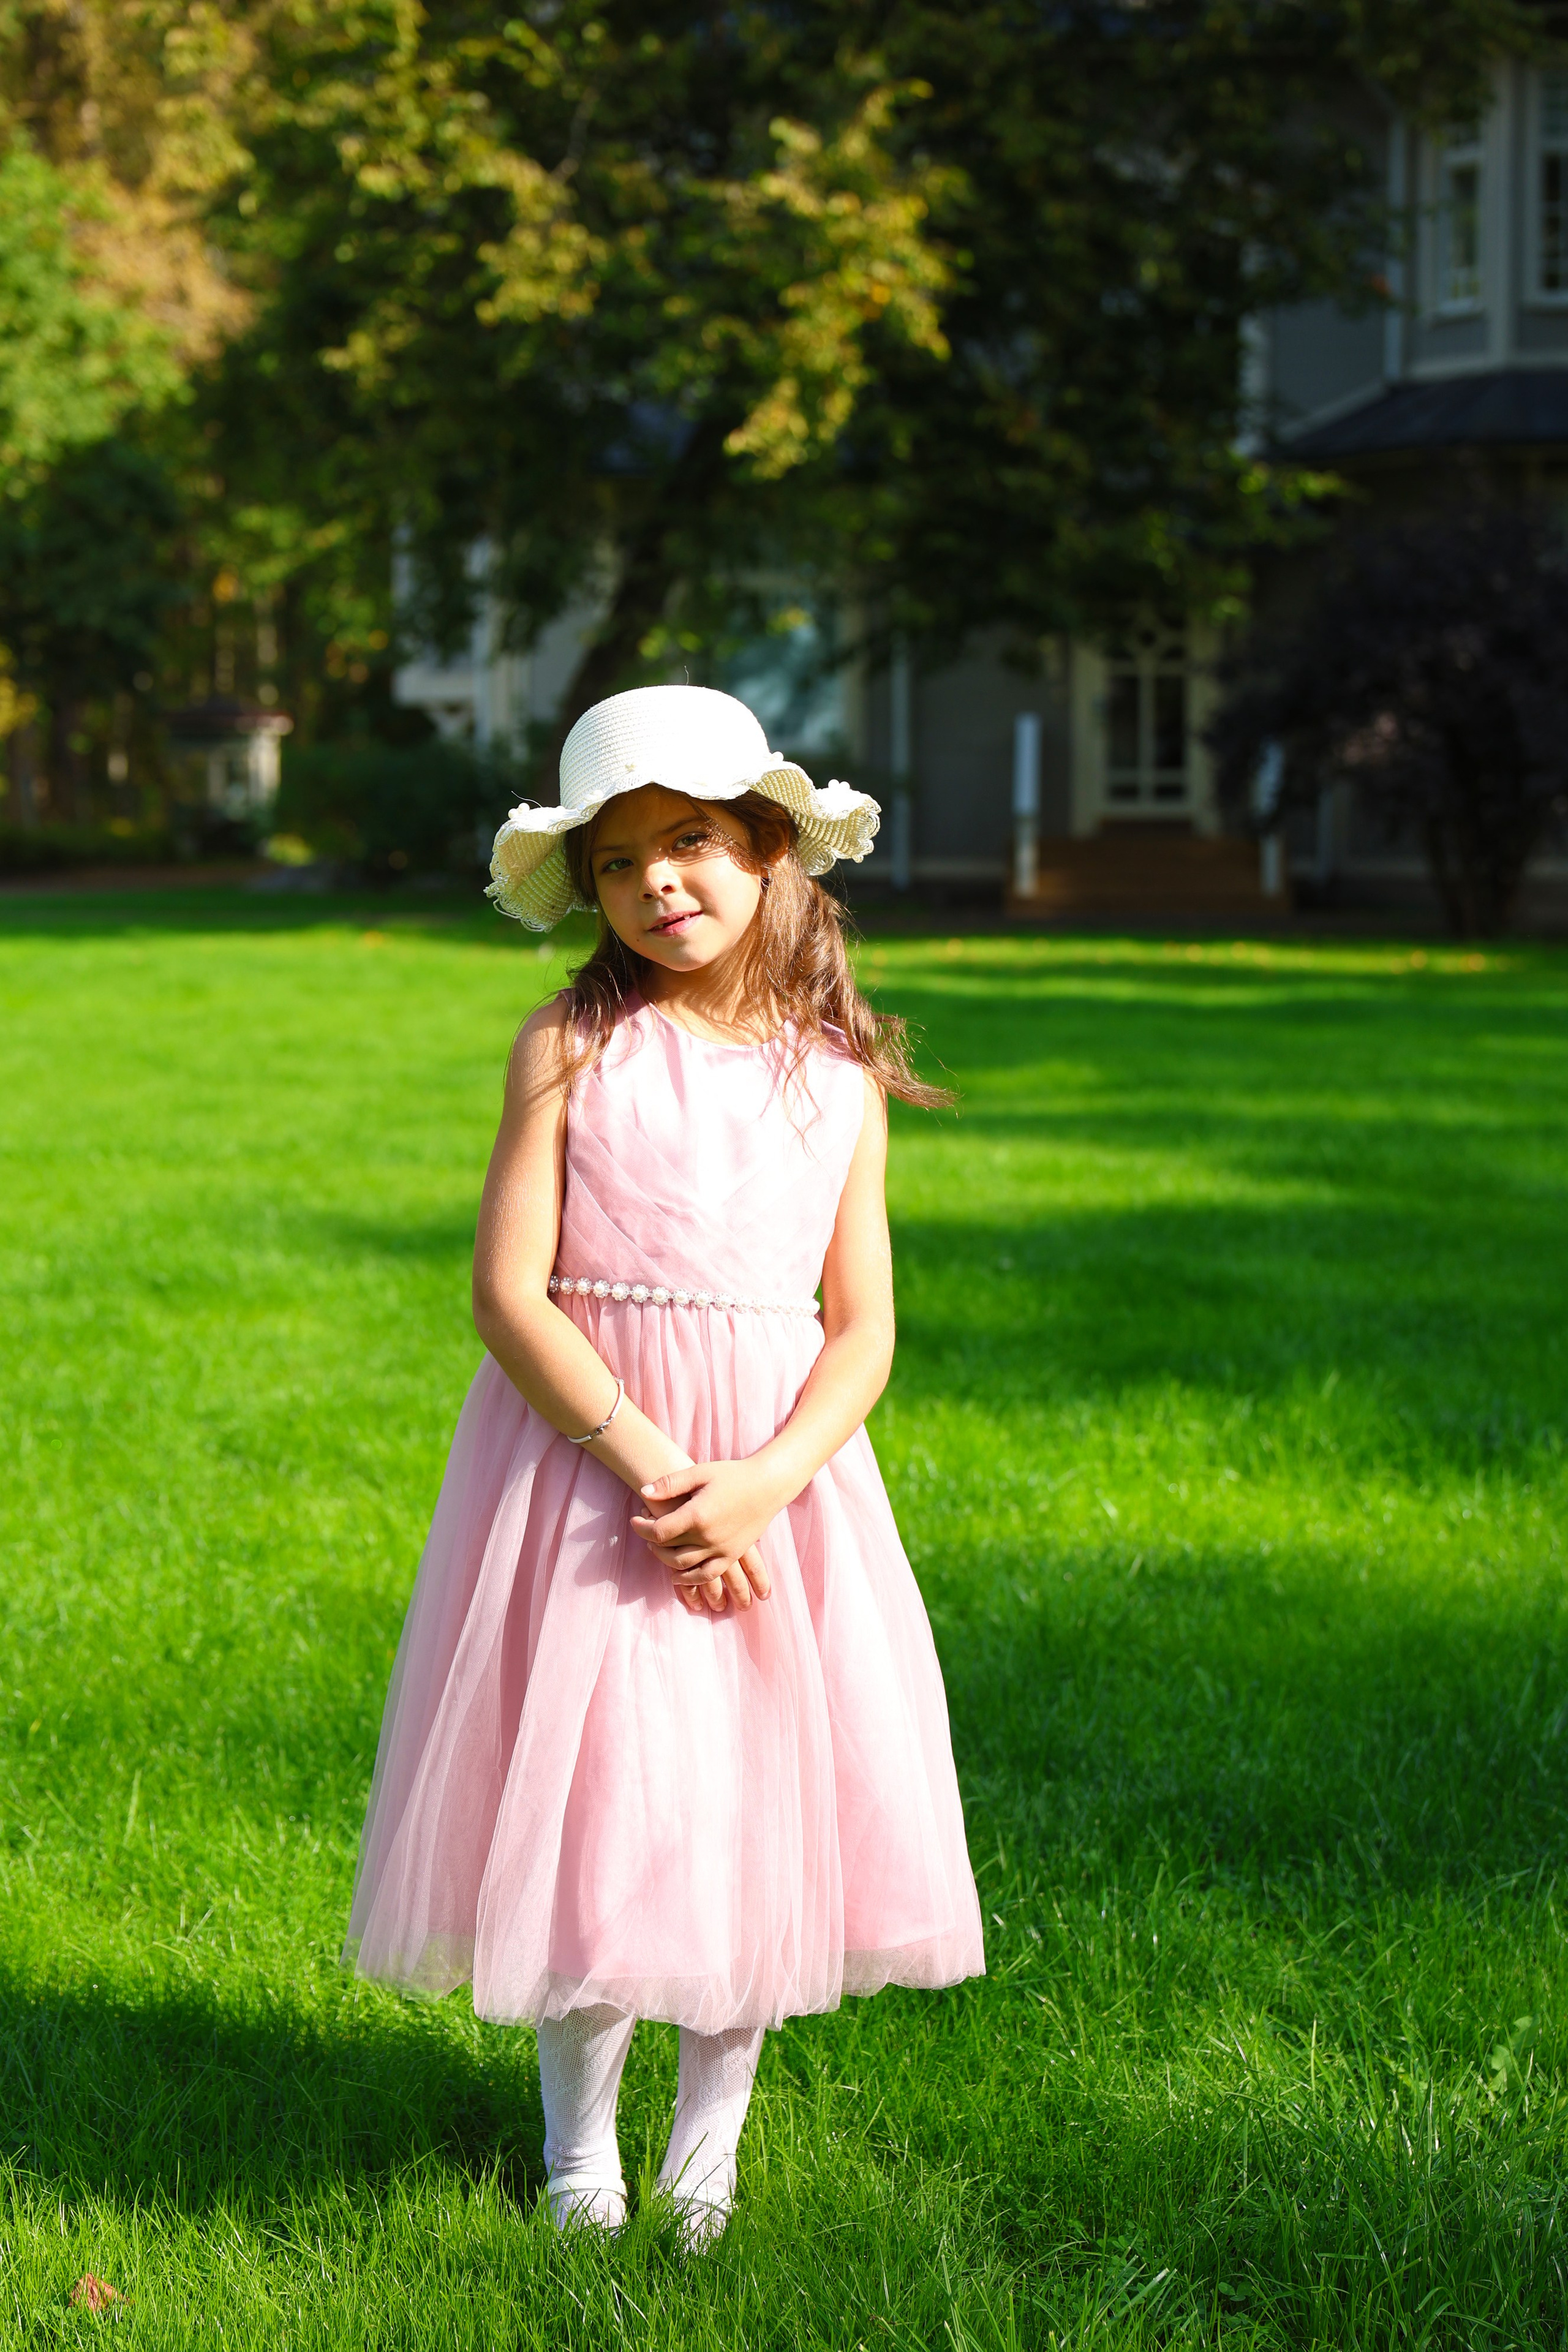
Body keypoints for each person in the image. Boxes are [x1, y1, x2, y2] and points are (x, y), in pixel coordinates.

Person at [344, 684, 984, 2242]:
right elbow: (507, 1295)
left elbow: (861, 1331)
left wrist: (759, 1482)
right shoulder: (571, 1046)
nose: (657, 883)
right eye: (619, 862)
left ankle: (708, 2151)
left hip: (775, 1483)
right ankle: (580, 2154)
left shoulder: (835, 1080)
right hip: (586, 1471)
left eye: (688, 842)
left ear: (768, 850)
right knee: (596, 1806)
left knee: (748, 1798)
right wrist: (652, 1471)